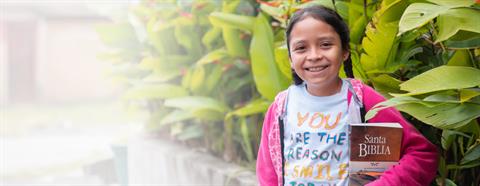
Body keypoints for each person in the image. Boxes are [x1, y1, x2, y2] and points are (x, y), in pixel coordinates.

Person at [256, 5, 438, 186]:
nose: (314, 56)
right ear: (290, 58)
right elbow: (268, 173)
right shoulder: (282, 107)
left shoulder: (362, 101)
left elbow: (421, 154)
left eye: (326, 45)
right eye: (301, 48)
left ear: (344, 51)